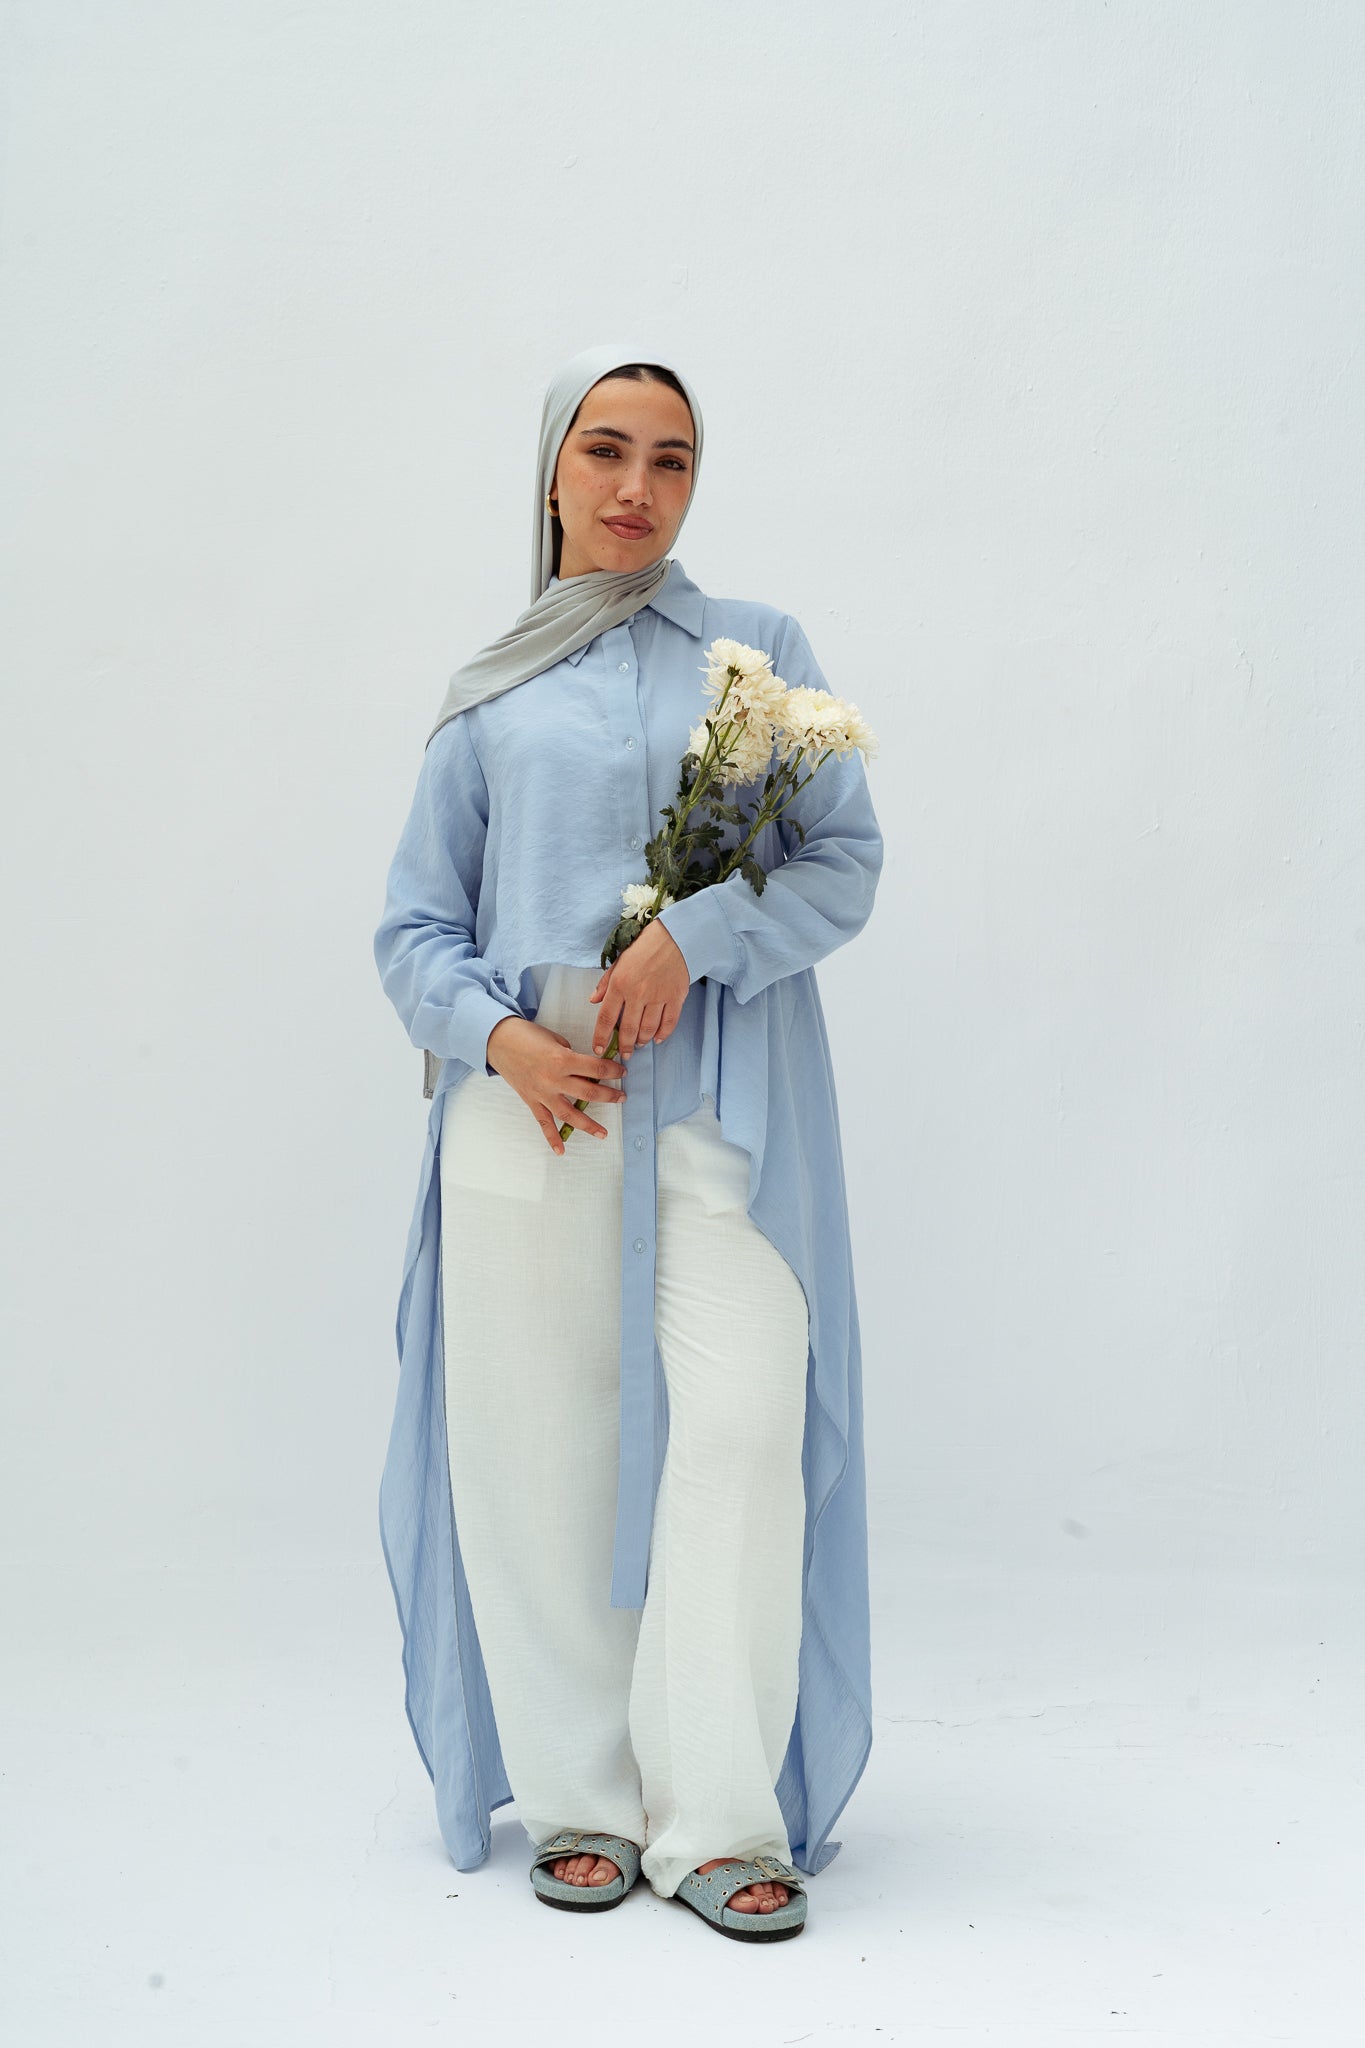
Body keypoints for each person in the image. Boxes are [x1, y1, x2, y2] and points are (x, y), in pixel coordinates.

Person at [373, 342, 884, 1943]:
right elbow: (412, 929)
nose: (635, 486)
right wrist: (503, 1041)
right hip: (532, 1119)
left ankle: (719, 1816)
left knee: (737, 1430)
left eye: (670, 459)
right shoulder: (493, 687)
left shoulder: (757, 659)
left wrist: (698, 934)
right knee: (535, 1456)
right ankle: (581, 1803)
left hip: (716, 1117)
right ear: (551, 472)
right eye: (605, 450)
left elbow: (842, 862)